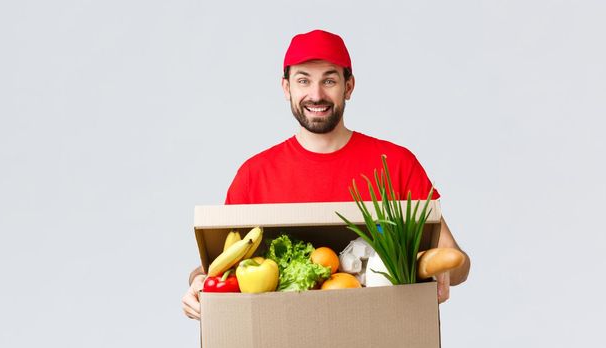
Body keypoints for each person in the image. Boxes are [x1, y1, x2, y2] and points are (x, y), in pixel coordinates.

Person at [183, 29, 470, 320]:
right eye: (303, 80)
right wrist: (196, 283)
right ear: (286, 88)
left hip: (378, 330)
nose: (316, 94)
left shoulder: (395, 163)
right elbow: (217, 268)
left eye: (329, 80)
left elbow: (458, 261)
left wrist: (445, 270)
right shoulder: (253, 175)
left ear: (349, 86)